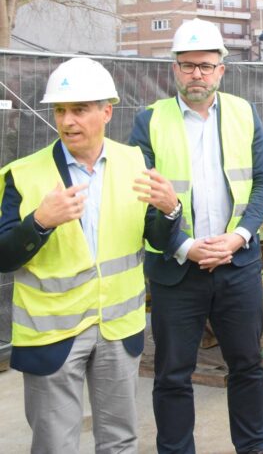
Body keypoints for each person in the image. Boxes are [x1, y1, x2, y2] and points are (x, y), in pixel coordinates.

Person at [0, 58, 180, 453]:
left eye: (80, 109)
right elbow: (3, 257)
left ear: (106, 112)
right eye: (61, 110)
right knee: (55, 444)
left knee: (119, 441)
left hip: (118, 328)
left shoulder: (134, 162)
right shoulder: (22, 174)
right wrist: (40, 223)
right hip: (52, 335)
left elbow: (157, 237)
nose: (67, 121)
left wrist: (171, 211)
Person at [130, 19, 263, 454]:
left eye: (206, 66)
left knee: (248, 366)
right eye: (188, 65)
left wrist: (239, 237)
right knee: (173, 374)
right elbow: (140, 196)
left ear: (221, 70)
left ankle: (252, 448)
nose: (197, 74)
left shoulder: (244, 113)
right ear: (175, 70)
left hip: (237, 263)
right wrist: (185, 247)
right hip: (178, 271)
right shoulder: (149, 121)